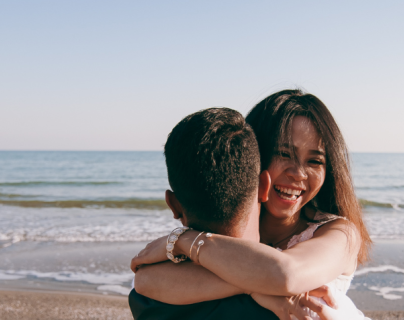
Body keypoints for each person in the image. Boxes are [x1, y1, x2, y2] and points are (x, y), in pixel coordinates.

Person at [131, 90, 372, 320]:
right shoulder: (232, 225)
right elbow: (147, 281)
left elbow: (288, 274)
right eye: (284, 153)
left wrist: (185, 240)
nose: (298, 173)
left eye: (314, 161)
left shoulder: (341, 233)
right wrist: (256, 288)